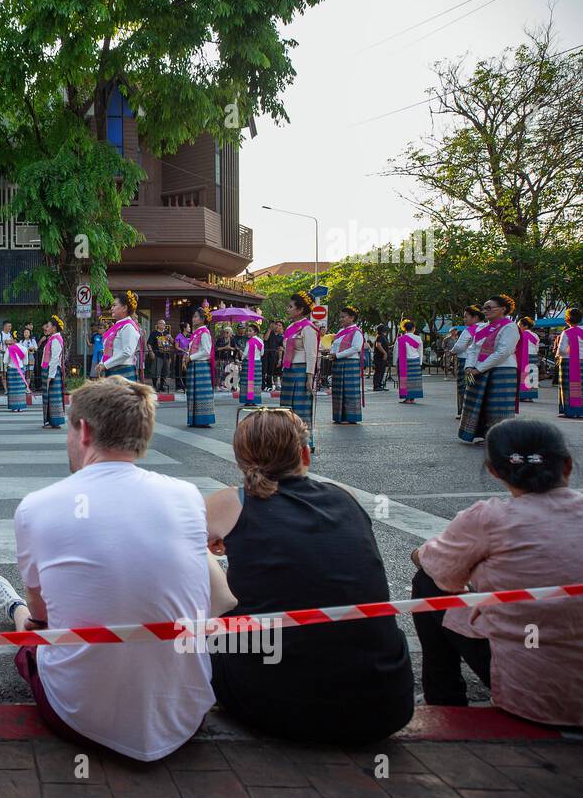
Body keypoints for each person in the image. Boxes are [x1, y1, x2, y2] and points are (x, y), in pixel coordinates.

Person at [0, 377, 226, 761]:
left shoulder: (37, 506)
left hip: (79, 717)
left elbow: (44, 621)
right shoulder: (187, 496)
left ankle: (11, 608)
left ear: (85, 431)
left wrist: (31, 617)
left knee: (28, 631)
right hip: (184, 716)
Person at [204, 408, 414, 743]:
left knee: (195, 576)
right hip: (385, 704)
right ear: (304, 454)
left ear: (241, 460)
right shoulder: (344, 498)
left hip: (278, 704)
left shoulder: (232, 502)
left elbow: (180, 546)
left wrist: (223, 542)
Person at [411, 419, 582, 726]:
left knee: (427, 582)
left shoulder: (488, 518)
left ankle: (444, 697)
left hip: (530, 697)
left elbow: (435, 568)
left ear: (493, 470)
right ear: (567, 465)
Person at [459, 294, 521, 444]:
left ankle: (499, 437)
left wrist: (478, 369)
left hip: (501, 370)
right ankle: (486, 434)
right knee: (482, 404)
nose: (485, 311)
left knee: (498, 406)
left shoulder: (510, 327)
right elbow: (473, 348)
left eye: (489, 308)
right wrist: (469, 366)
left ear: (503, 309)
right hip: (478, 370)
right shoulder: (482, 327)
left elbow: (503, 352)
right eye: (484, 308)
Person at [279, 293, 319, 452]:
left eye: (290, 306)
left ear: (300, 309)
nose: (287, 309)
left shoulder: (308, 328)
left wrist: (310, 376)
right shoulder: (290, 327)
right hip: (289, 371)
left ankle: (305, 443)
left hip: (301, 371)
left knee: (300, 409)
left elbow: (311, 354)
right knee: (287, 409)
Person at [95, 291, 144, 381]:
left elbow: (127, 352)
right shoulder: (119, 326)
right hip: (113, 370)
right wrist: (102, 363)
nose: (112, 308)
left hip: (123, 371)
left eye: (114, 305)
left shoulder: (128, 327)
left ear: (124, 308)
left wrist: (105, 364)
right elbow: (108, 351)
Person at [329, 306, 365, 425]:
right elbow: (334, 345)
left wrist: (337, 355)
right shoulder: (340, 331)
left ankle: (350, 417)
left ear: (352, 318)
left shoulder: (357, 332)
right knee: (339, 391)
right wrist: (330, 353)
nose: (341, 319)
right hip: (338, 364)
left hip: (350, 364)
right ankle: (340, 416)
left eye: (343, 317)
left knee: (349, 392)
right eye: (341, 317)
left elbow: (356, 348)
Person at [450, 305, 486, 418]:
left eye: (466, 317)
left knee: (465, 386)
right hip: (482, 362)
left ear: (475, 317)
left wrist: (452, 351)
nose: (464, 319)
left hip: (466, 362)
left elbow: (459, 347)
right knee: (477, 386)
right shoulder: (488, 328)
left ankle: (464, 411)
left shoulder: (469, 330)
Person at [185, 308, 215, 427]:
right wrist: (187, 357)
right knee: (194, 393)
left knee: (201, 394)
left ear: (203, 319)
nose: (194, 319)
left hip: (201, 366)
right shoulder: (197, 332)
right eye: (193, 316)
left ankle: (203, 419)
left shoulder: (204, 333)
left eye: (196, 316)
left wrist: (191, 358)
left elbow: (207, 352)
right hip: (195, 366)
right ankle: (195, 419)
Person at [41, 315, 66, 428]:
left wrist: (50, 375)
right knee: (50, 397)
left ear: (54, 328)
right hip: (50, 370)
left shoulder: (55, 340)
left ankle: (55, 421)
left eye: (48, 326)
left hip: (53, 372)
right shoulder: (52, 339)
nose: (46, 328)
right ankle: (51, 421)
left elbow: (55, 358)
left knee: (53, 398)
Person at [558, 307, 583, 419]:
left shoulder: (566, 332)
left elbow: (562, 350)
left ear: (567, 319)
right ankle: (580, 411)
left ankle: (570, 411)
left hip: (568, 361)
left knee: (568, 387)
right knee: (579, 386)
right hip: (581, 361)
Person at [395, 319, 423, 404]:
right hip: (415, 361)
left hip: (404, 361)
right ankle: (413, 398)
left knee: (404, 380)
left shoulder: (400, 339)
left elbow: (396, 352)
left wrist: (394, 363)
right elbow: (420, 351)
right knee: (414, 380)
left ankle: (407, 398)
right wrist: (420, 362)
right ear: (413, 328)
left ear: (404, 329)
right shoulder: (418, 338)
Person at [237, 322, 264, 406]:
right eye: (248, 330)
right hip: (257, 363)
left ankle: (249, 401)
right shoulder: (260, 341)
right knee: (255, 382)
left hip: (249, 363)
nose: (248, 332)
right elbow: (262, 353)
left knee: (248, 382)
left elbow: (245, 354)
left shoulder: (250, 342)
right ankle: (254, 400)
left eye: (250, 331)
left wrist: (241, 355)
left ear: (255, 332)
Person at [5, 337, 30, 412]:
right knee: (20, 388)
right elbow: (26, 362)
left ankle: (14, 407)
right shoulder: (24, 349)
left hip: (11, 369)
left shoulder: (9, 348)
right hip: (20, 369)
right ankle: (21, 406)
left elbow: (5, 360)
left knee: (13, 389)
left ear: (14, 340)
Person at [517, 316, 539, 402]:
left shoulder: (520, 334)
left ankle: (523, 395)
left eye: (519, 325)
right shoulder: (535, 335)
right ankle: (530, 396)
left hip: (523, 356)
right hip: (533, 356)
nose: (519, 327)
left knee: (523, 376)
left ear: (525, 326)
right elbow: (537, 348)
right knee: (532, 377)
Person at [150, 320, 173, 391]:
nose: (163, 325)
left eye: (164, 324)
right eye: (162, 324)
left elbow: (172, 342)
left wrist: (170, 338)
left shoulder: (166, 333)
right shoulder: (154, 333)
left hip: (166, 355)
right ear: (158, 324)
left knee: (165, 371)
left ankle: (162, 386)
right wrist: (151, 352)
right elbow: (149, 344)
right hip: (157, 354)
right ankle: (154, 385)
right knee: (156, 371)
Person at [263, 320, 284, 391]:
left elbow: (281, 348)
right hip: (266, 354)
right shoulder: (270, 332)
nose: (277, 326)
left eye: (279, 325)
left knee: (271, 371)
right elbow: (265, 339)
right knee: (264, 370)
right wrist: (269, 329)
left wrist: (280, 359)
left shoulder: (281, 337)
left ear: (282, 328)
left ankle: (270, 385)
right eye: (276, 324)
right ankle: (263, 385)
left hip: (274, 356)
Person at [372, 324, 391, 392]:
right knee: (379, 371)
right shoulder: (380, 337)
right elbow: (378, 345)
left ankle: (379, 384)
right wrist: (384, 353)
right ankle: (376, 385)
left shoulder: (383, 337)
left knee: (382, 371)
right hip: (379, 357)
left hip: (382, 358)